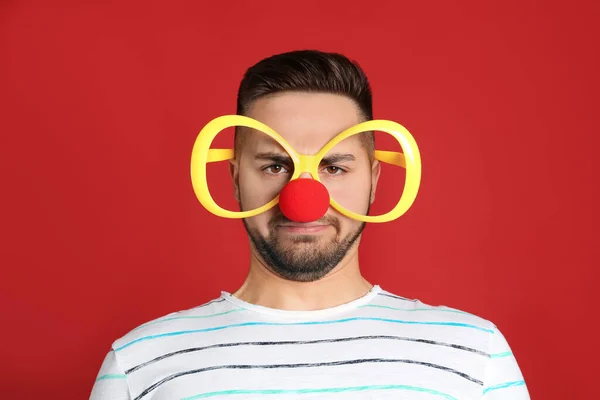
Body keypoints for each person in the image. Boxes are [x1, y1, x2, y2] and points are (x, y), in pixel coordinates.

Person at [89, 50, 530, 400]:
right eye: (276, 166)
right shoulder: (140, 362)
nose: (303, 198)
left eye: (334, 167)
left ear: (374, 180)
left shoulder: (473, 353)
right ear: (234, 179)